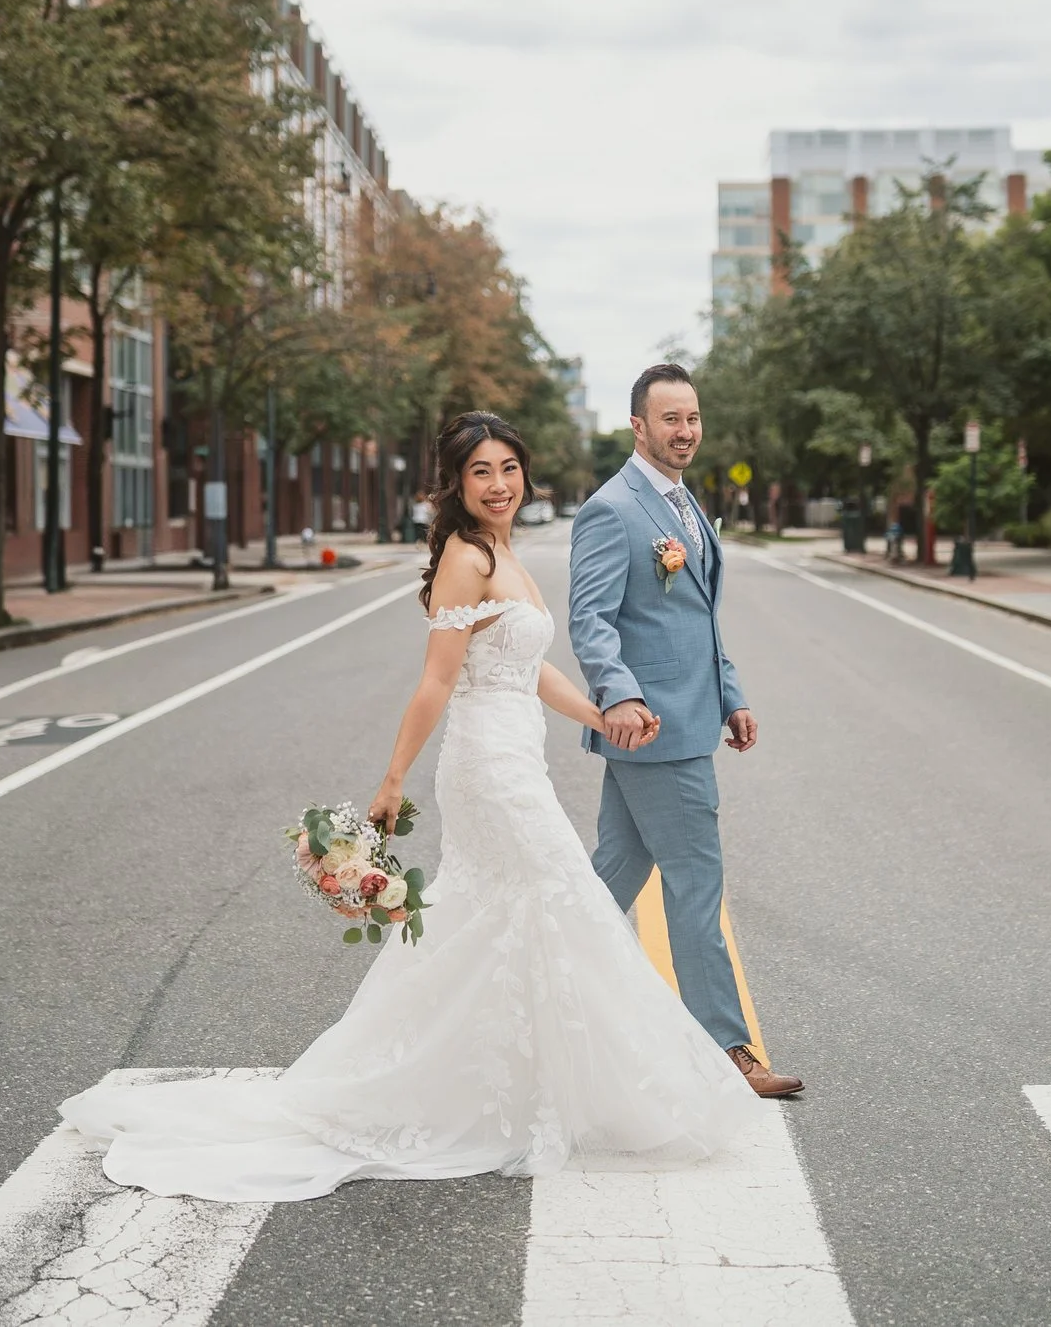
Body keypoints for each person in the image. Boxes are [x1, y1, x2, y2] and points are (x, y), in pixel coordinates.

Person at [59, 411, 756, 1201]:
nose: (498, 484)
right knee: (568, 902)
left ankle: (496, 1081)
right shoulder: (465, 556)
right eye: (481, 472)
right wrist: (391, 780)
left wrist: (601, 713)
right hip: (489, 769)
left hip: (516, 753)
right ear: (456, 483)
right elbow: (437, 679)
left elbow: (530, 668)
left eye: (508, 468)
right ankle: (623, 1089)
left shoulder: (503, 552)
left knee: (499, 918)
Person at [567, 363, 803, 1097]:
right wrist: (620, 695)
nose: (685, 430)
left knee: (612, 877)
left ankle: (533, 987)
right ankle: (725, 1050)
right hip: (656, 729)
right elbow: (590, 619)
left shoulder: (682, 502)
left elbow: (696, 616)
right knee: (697, 885)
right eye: (670, 418)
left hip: (689, 717)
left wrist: (732, 694)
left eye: (692, 417)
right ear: (638, 426)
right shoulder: (614, 509)